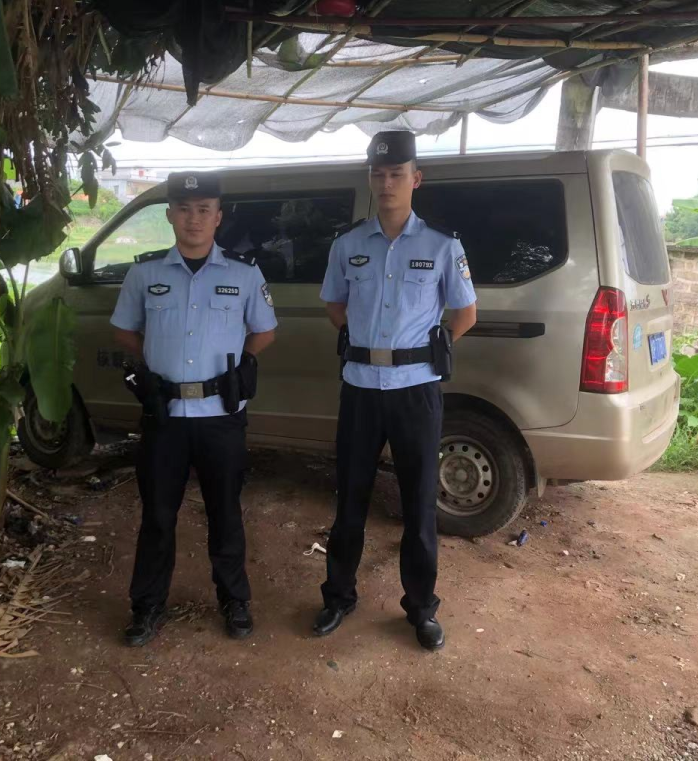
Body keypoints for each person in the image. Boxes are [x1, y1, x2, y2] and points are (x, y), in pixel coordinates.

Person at [315, 130, 478, 651]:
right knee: (350, 500)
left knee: (418, 505)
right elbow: (334, 304)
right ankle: (338, 596)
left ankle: (421, 609)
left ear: (416, 179)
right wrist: (363, 342)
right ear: (370, 179)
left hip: (416, 390)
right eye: (379, 174)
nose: (387, 183)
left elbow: (465, 313)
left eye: (397, 174)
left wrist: (427, 349)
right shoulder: (348, 244)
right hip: (361, 388)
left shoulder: (443, 245)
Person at [110, 171, 278, 647]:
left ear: (218, 217)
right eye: (184, 210)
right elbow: (124, 329)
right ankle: (147, 607)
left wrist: (240, 365)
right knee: (157, 516)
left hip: (220, 415)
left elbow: (265, 330)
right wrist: (152, 363)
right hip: (164, 416)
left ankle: (234, 600)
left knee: (225, 512)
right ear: (170, 216)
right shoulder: (145, 274)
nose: (194, 219)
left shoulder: (244, 274)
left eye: (204, 210)